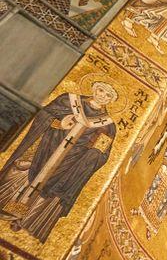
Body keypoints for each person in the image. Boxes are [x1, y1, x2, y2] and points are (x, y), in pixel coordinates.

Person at [0, 82, 117, 243]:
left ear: (111, 100)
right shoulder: (68, 100)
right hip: (45, 147)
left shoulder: (108, 125)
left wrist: (92, 152)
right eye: (101, 90)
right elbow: (44, 115)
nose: (102, 95)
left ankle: (23, 221)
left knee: (52, 187)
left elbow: (101, 153)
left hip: (70, 162)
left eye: (108, 95)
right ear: (94, 88)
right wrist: (58, 123)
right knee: (24, 169)